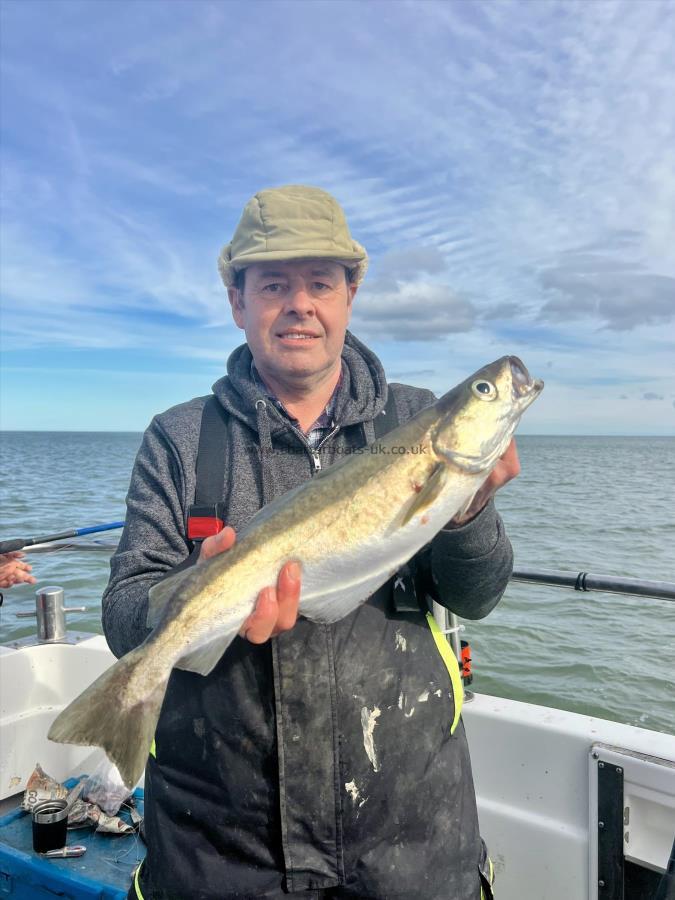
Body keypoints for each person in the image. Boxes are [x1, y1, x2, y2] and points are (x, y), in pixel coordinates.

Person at [104, 185, 519, 900]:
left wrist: (464, 511)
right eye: (272, 285)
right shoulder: (179, 438)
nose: (299, 304)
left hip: (409, 837)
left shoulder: (414, 418)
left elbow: (476, 596)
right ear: (238, 303)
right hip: (223, 848)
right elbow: (122, 614)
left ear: (350, 295)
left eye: (319, 284)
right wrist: (187, 599)